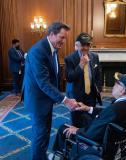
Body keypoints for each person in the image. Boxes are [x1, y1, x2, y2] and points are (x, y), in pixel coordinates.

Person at [22, 22, 78, 160]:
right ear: (52, 34)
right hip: (37, 101)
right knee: (40, 134)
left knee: (45, 131)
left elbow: (53, 75)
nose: (64, 41)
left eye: (65, 38)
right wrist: (65, 100)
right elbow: (43, 83)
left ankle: (41, 156)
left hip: (45, 99)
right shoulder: (38, 51)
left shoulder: (52, 47)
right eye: (62, 37)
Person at [52, 71, 126, 154]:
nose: (113, 85)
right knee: (84, 116)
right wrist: (88, 108)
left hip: (102, 141)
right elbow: (107, 113)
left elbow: (92, 133)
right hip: (118, 138)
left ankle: (61, 153)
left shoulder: (115, 109)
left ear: (122, 90)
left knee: (63, 128)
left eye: (117, 84)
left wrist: (77, 130)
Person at [65, 32, 102, 128]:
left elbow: (98, 75)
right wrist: (81, 65)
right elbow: (69, 78)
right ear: (77, 45)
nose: (85, 47)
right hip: (76, 96)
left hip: (91, 95)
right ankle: (77, 138)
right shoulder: (70, 58)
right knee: (77, 121)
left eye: (88, 44)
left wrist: (98, 89)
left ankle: (88, 138)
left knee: (91, 118)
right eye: (83, 44)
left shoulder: (95, 56)